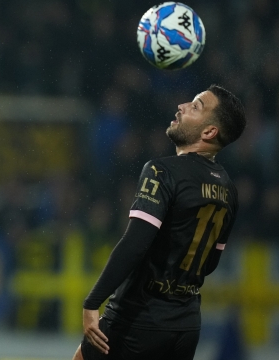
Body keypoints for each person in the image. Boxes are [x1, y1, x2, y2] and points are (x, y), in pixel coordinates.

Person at [72, 85, 246, 360]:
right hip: (186, 325)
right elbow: (210, 262)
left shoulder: (161, 171)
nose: (182, 105)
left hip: (139, 316)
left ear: (209, 132)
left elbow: (135, 244)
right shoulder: (229, 190)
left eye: (196, 106)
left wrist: (93, 302)